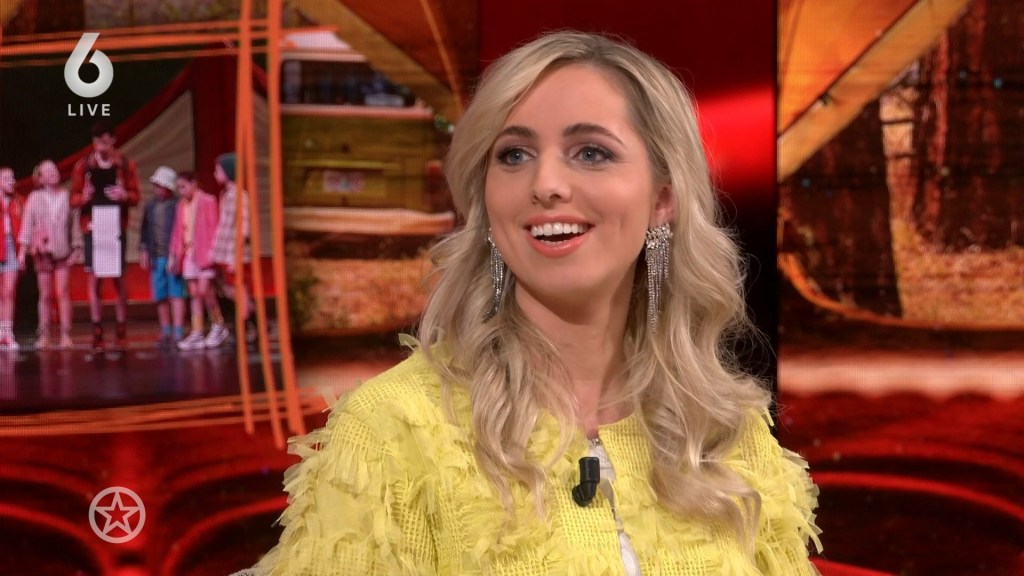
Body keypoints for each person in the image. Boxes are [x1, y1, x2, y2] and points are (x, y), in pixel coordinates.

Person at [248, 32, 821, 575]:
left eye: (591, 152)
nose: (545, 183)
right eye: (514, 155)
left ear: (662, 199)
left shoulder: (725, 431)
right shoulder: (390, 431)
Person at [70, 120, 141, 352]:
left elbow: (136, 196)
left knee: (118, 278)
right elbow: (73, 198)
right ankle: (97, 331)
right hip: (93, 226)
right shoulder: (83, 166)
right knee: (95, 278)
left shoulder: (125, 164)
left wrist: (124, 194)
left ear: (113, 140)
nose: (101, 146)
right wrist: (84, 197)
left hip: (115, 225)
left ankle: (121, 330)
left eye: (105, 141)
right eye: (97, 142)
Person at [18, 160, 79, 350]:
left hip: (62, 251)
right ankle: (44, 335)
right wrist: (22, 252)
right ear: (41, 178)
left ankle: (66, 335)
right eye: (48, 171)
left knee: (63, 293)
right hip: (42, 253)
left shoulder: (67, 196)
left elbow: (75, 224)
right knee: (45, 295)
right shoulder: (34, 198)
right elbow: (27, 225)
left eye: (54, 169)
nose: (53, 173)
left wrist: (77, 248)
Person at [168, 171, 223, 351]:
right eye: (179, 188)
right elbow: (177, 232)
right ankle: (197, 331)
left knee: (205, 289)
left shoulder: (208, 201)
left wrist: (214, 253)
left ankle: (218, 324)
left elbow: (215, 227)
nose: (181, 191)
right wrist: (174, 255)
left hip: (205, 252)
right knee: (194, 293)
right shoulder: (181, 205)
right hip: (189, 253)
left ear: (194, 184)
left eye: (184, 186)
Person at [210, 152, 256, 348]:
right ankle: (253, 325)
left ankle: (245, 329)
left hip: (235, 253)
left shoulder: (240, 196)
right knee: (230, 291)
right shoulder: (226, 195)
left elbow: (243, 228)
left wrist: (235, 257)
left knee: (238, 291)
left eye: (218, 170)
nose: (215, 174)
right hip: (225, 251)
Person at [139, 166, 186, 348]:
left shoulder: (177, 205)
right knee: (160, 295)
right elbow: (144, 231)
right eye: (156, 185)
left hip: (173, 255)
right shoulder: (151, 206)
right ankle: (165, 330)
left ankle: (178, 331)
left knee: (176, 293)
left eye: (161, 186)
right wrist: (144, 250)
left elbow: (181, 231)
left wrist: (177, 254)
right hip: (156, 256)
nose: (158, 189)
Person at [0, 167, 23, 350]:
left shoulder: (19, 201)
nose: (11, 181)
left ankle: (8, 333)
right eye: (7, 178)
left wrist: (22, 252)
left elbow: (25, 229)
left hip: (11, 247)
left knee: (9, 291)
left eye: (12, 178)